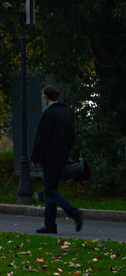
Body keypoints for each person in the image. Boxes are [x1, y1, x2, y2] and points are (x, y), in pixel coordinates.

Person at [30, 85, 84, 234]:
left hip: (50, 158)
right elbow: (72, 136)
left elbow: (42, 137)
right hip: (63, 156)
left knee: (50, 191)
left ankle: (74, 213)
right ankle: (50, 224)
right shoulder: (66, 112)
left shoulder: (49, 114)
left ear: (46, 97)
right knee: (51, 188)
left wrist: (35, 157)